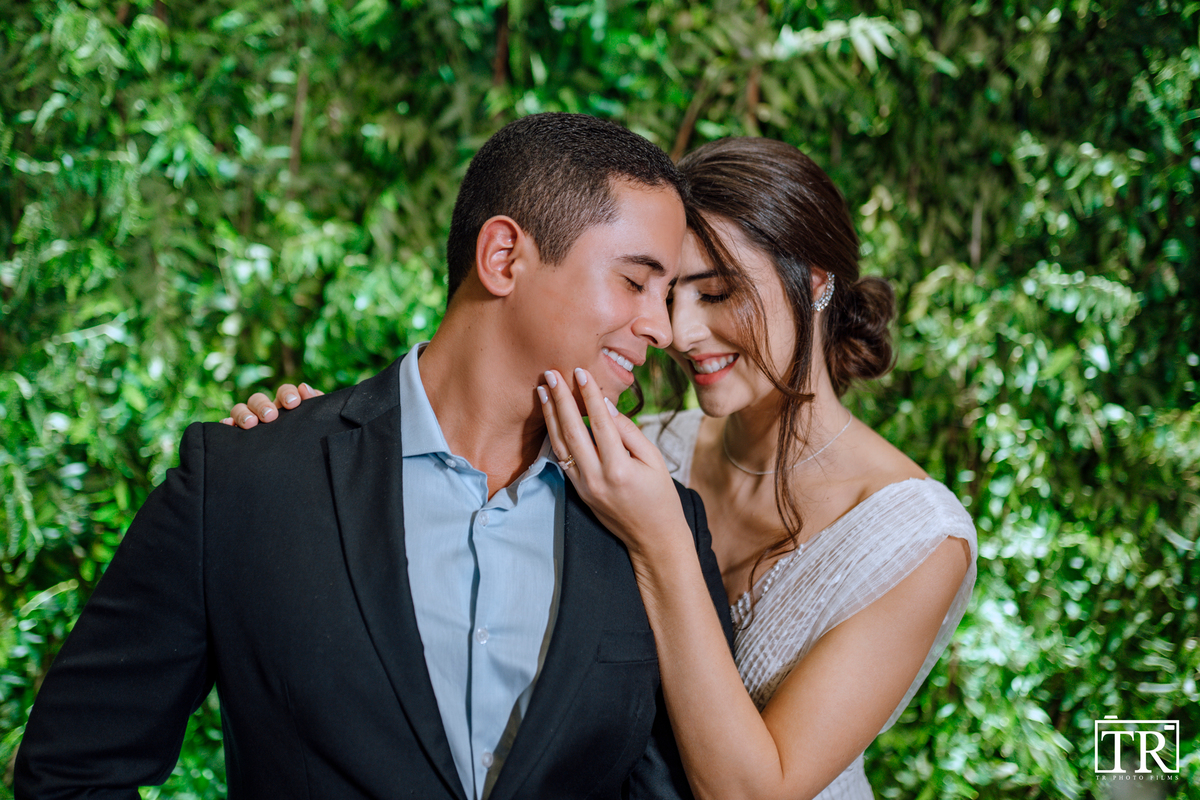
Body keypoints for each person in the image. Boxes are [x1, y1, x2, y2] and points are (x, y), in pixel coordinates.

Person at [233, 137, 977, 800]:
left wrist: (661, 540)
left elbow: (754, 792)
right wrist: (305, 442)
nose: (678, 334)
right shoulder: (628, 446)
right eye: (665, 294)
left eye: (716, 294)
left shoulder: (915, 536)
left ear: (817, 282)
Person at [14, 113, 732, 800]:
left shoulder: (661, 528)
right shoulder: (243, 483)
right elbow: (71, 773)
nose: (661, 328)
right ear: (504, 257)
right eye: (637, 283)